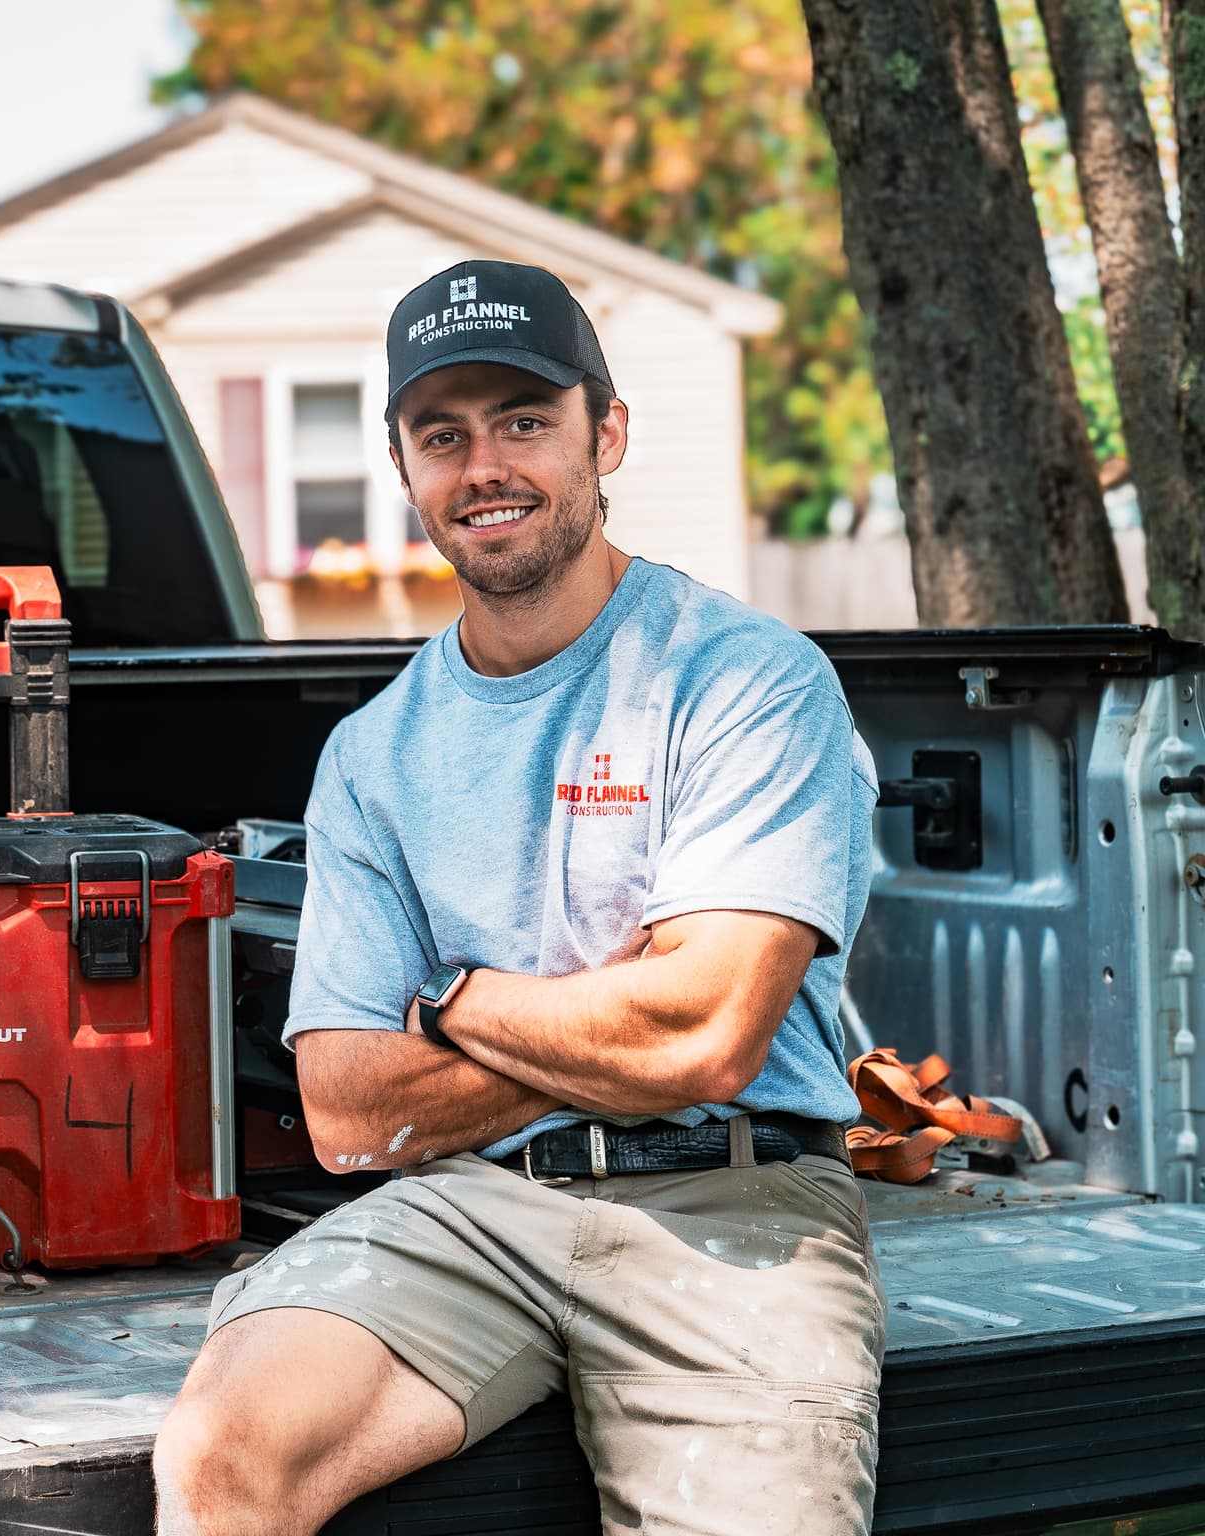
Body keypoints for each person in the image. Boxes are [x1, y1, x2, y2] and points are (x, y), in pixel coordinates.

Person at [153, 259, 886, 1535]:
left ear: (606, 435)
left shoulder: (744, 681)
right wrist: (624, 1019)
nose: (484, 465)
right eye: (444, 435)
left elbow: (707, 1035)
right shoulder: (375, 756)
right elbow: (343, 1109)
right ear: (403, 466)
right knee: (222, 1456)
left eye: (524, 422)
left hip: (735, 1199)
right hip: (471, 1206)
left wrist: (453, 1001)